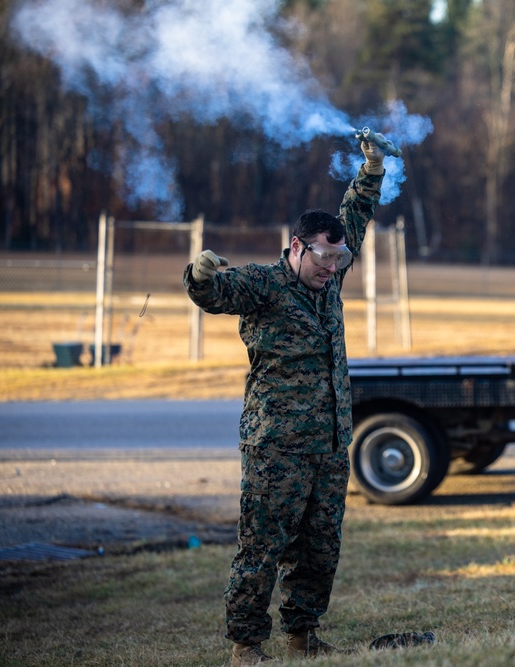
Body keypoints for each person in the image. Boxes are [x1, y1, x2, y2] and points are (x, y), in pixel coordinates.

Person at [185, 139, 384, 666]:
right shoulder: (264, 285)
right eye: (324, 257)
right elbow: (213, 294)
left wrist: (373, 168)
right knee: (261, 550)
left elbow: (355, 216)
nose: (333, 267)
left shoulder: (330, 275)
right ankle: (247, 646)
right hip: (277, 448)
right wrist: (199, 276)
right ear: (297, 247)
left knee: (320, 551)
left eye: (340, 258)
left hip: (329, 446)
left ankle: (303, 638)